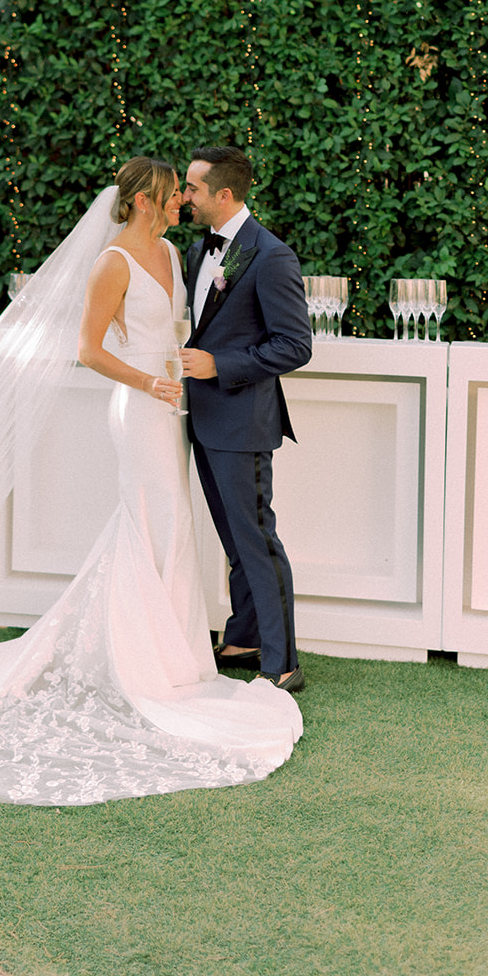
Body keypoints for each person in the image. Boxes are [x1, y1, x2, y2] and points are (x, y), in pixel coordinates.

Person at [0, 157, 302, 804]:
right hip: (141, 408)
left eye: (188, 190)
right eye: (171, 192)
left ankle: (198, 653)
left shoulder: (183, 252)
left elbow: (248, 335)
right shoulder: (113, 261)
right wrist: (148, 381)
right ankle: (151, 659)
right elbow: (89, 348)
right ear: (144, 200)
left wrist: (198, 369)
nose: (181, 200)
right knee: (153, 519)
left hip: (183, 409)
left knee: (178, 525)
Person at [180, 146, 311, 690]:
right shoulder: (194, 252)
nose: (183, 198)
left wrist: (220, 365)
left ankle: (282, 663)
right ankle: (244, 635)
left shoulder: (271, 256)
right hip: (202, 419)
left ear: (224, 195)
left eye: (192, 189)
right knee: (235, 540)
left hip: (243, 420)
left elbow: (295, 346)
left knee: (257, 539)